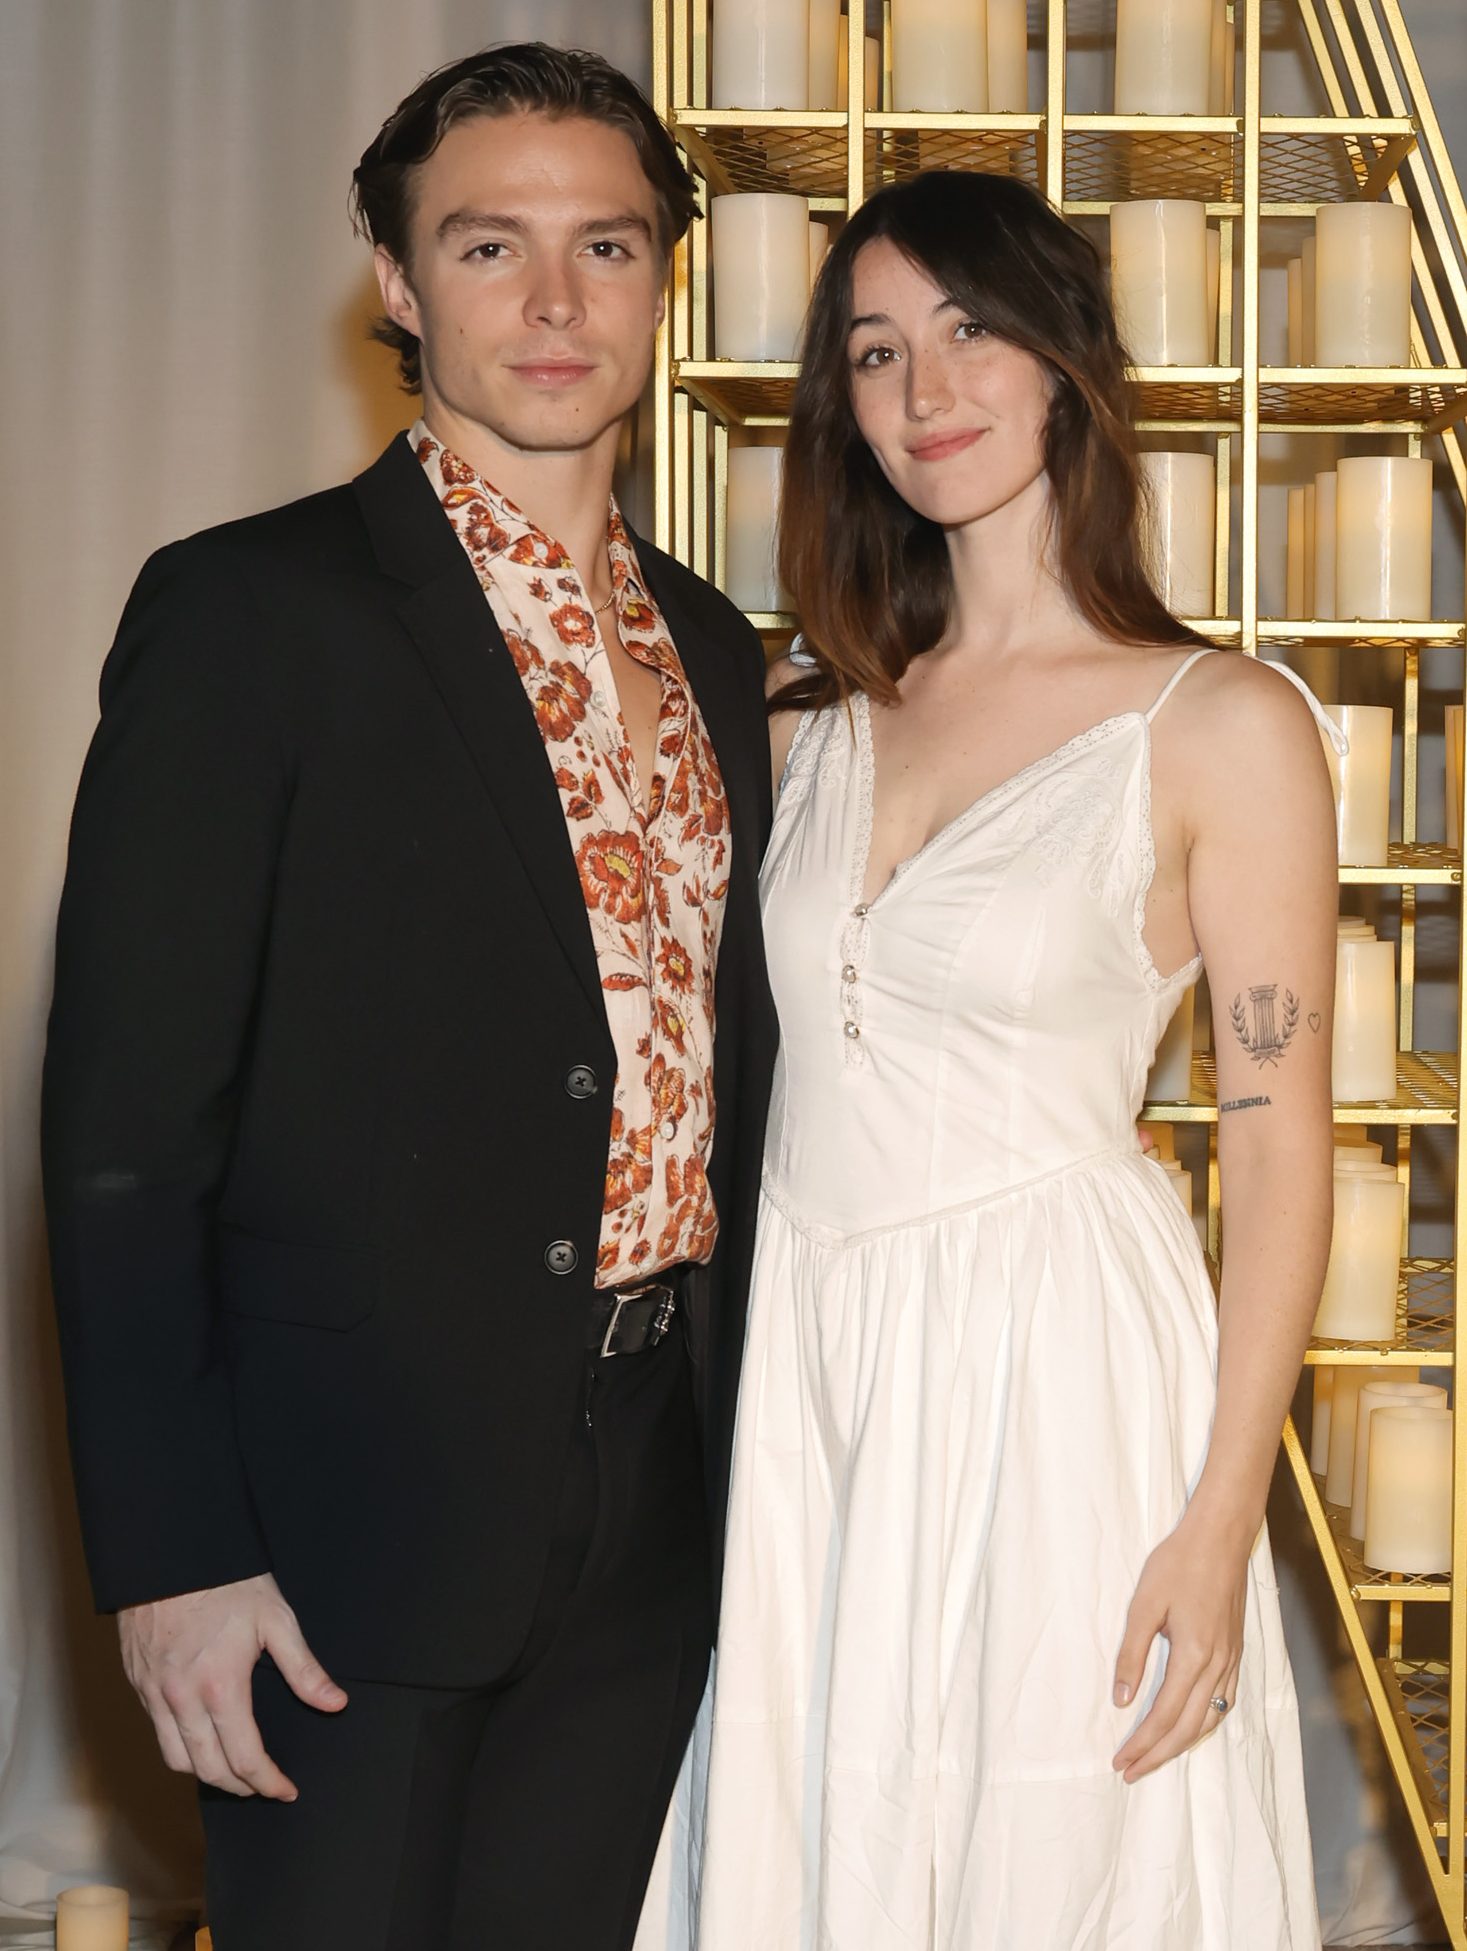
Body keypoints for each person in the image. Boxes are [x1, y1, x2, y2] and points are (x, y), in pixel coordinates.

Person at [41, 43, 776, 1951]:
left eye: (605, 246)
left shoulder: (711, 643)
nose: (553, 303)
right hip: (341, 1522)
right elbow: (125, 1132)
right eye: (487, 246)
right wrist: (176, 1554)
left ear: (663, 279)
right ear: (393, 279)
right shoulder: (245, 613)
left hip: (657, 1491)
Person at [641, 170, 1330, 1949]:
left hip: (1066, 1380)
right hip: (818, 1374)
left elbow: (1278, 1154)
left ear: (1065, 362)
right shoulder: (808, 713)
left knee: (1055, 1863)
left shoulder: (1221, 723)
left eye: (970, 329)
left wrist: (1218, 1515)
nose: (926, 387)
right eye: (877, 352)